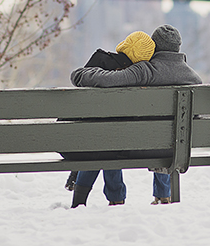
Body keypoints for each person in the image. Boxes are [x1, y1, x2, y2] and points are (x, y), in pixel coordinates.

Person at [69, 24, 202, 207]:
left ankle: (109, 198)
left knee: (106, 138)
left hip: (137, 144)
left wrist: (80, 74)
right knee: (166, 133)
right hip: (177, 148)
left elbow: (106, 80)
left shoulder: (145, 71)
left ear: (154, 46)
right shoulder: (194, 79)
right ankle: (164, 195)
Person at [63, 30, 157, 205]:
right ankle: (116, 197)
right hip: (119, 139)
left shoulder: (99, 61)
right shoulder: (140, 75)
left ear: (125, 44)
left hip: (82, 137)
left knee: (103, 140)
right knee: (111, 139)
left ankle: (81, 199)